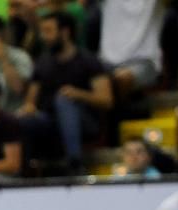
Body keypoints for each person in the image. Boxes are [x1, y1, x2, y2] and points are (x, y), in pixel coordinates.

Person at [17, 11, 113, 174]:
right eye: (42, 31)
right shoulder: (42, 63)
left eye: (48, 31)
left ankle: (75, 163)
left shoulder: (88, 60)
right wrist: (28, 109)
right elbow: (30, 101)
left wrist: (78, 94)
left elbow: (107, 100)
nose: (44, 37)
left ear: (65, 32)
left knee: (64, 100)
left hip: (85, 121)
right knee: (25, 120)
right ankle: (24, 171)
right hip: (50, 121)